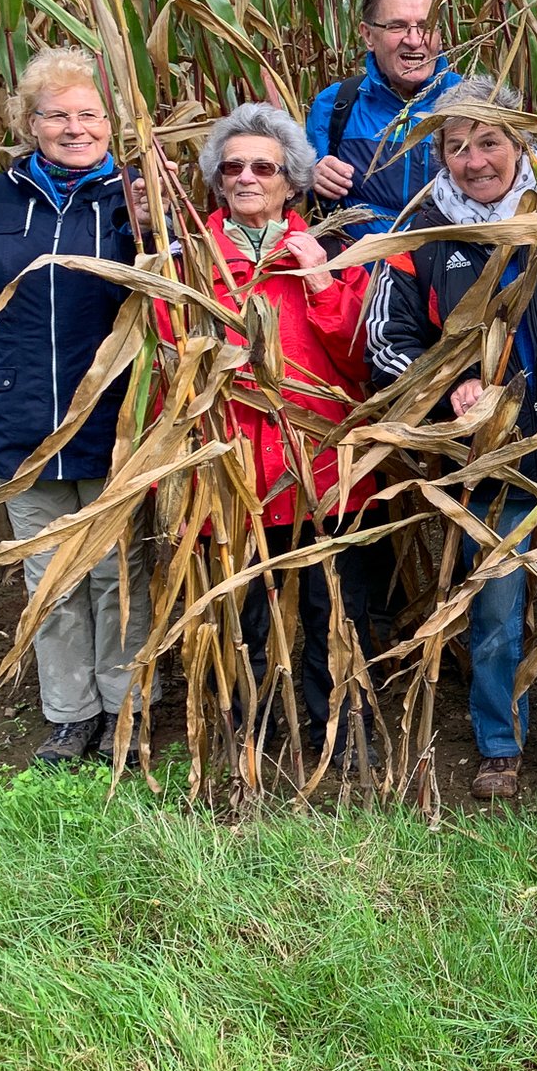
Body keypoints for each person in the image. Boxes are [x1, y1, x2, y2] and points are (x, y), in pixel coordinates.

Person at [367, 79, 537, 802]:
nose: (474, 160)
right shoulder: (423, 240)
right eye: (457, 147)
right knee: (492, 614)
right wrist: (446, 388)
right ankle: (498, 746)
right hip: (487, 463)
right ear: (440, 156)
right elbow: (388, 343)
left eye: (489, 142)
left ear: (521, 143)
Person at [0, 47, 154, 766]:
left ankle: (126, 707)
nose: (74, 128)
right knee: (51, 578)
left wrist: (150, 232)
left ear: (110, 122)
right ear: (30, 123)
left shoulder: (135, 197)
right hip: (20, 423)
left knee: (117, 574)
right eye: (57, 115)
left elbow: (173, 305)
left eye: (89, 114)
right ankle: (69, 714)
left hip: (115, 422)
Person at [159, 104, 378, 766]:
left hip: (323, 468)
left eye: (264, 167)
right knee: (242, 615)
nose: (248, 177)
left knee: (333, 610)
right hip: (231, 474)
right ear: (217, 181)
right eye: (233, 168)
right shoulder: (188, 266)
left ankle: (339, 729)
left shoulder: (336, 257)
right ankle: (247, 733)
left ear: (293, 182)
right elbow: (171, 376)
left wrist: (321, 283)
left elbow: (360, 363)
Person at [305, 0, 462, 241]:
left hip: (448, 262)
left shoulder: (472, 103)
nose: (414, 40)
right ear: (368, 35)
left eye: (426, 25)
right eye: (397, 26)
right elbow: (295, 197)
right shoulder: (335, 106)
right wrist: (311, 178)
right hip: (360, 264)